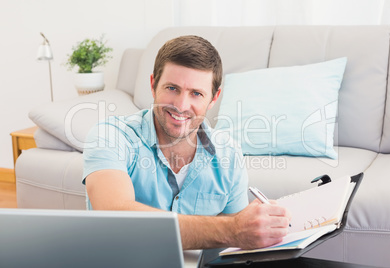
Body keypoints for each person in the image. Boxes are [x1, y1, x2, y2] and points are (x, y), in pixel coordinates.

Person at [82, 35, 291, 250]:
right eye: (172, 88)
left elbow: (237, 247)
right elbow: (114, 217)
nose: (181, 105)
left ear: (213, 98)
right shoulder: (110, 136)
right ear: (153, 85)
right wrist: (231, 229)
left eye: (196, 94)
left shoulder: (228, 154)